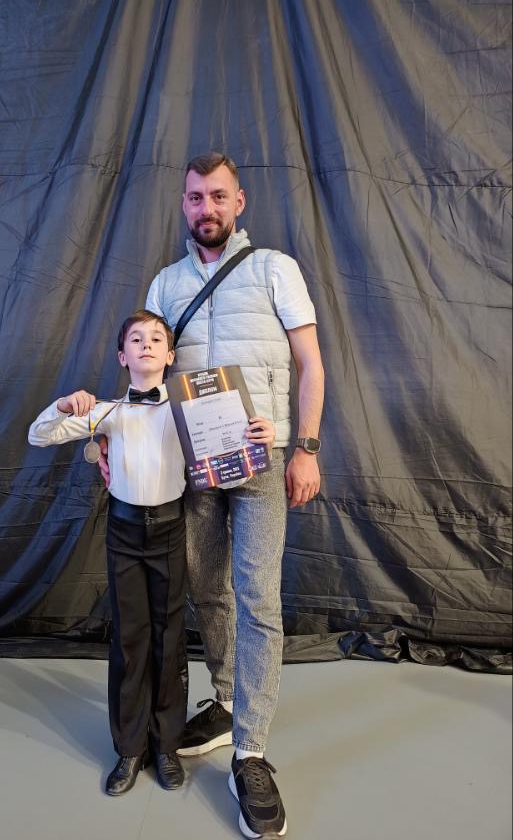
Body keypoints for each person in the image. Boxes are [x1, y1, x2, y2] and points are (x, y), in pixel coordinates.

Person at [145, 152, 325, 839]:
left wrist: (304, 447)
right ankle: (223, 701)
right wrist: (110, 436)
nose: (207, 208)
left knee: (258, 599)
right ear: (184, 204)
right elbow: (148, 373)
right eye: (196, 197)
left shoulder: (275, 268)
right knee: (207, 591)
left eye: (218, 196)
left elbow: (310, 364)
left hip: (261, 460)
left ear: (239, 202)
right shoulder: (165, 284)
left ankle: (250, 751)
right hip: (192, 466)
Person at [28, 308, 276, 800]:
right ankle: (129, 747)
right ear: (122, 356)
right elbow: (39, 435)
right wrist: (63, 406)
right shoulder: (106, 412)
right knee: (129, 640)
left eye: (156, 339)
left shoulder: (189, 413)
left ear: (170, 356)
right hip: (123, 535)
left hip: (169, 532)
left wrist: (259, 437)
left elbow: (234, 459)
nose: (146, 345)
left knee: (169, 640)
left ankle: (165, 745)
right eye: (136, 339)